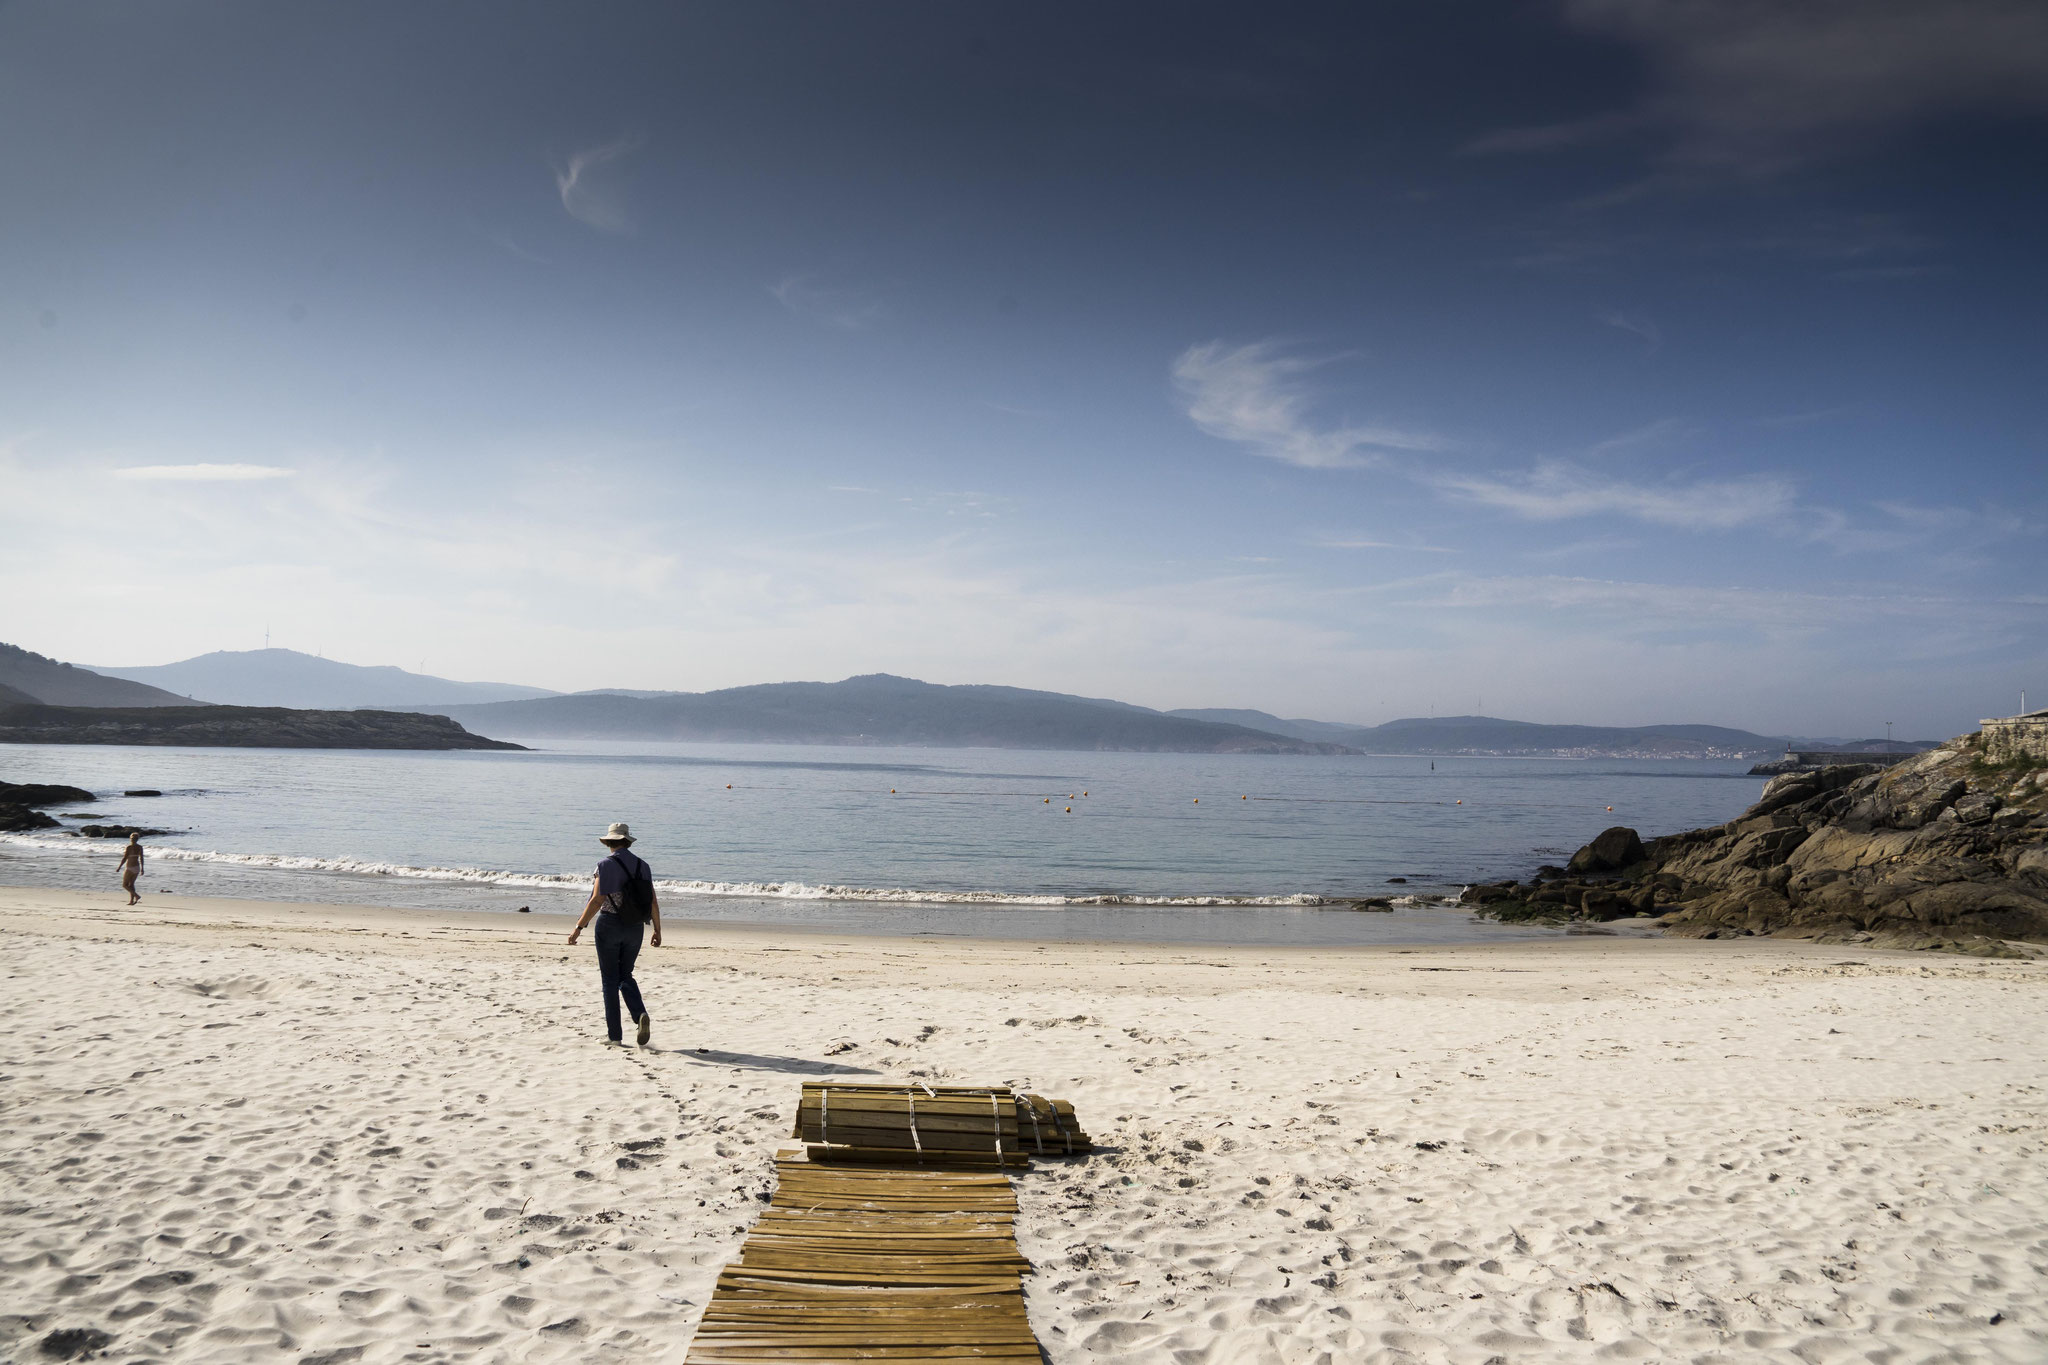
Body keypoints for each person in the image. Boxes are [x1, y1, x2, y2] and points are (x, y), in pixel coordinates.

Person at [567, 822, 662, 1046]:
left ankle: (614, 1036)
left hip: (609, 925)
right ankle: (639, 1014)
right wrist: (657, 929)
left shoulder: (604, 865)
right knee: (625, 974)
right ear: (627, 841)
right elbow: (653, 902)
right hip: (635, 927)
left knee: (609, 980)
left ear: (609, 842)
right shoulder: (643, 866)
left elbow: (598, 899)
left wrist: (579, 927)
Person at [116, 832, 144, 905]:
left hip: (130, 867)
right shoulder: (140, 847)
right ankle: (131, 901)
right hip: (137, 867)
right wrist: (142, 868)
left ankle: (136, 896)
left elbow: (125, 858)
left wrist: (119, 867)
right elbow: (141, 858)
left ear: (131, 839)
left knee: (125, 885)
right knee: (131, 885)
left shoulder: (129, 847)